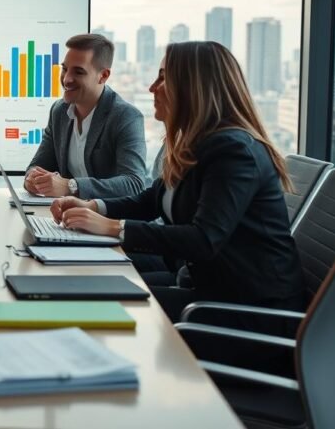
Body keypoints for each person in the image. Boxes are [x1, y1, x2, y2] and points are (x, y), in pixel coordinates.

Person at [50, 41, 304, 322]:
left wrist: (112, 227)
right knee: (91, 282)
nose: (152, 88)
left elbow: (203, 239)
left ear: (192, 87)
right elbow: (149, 202)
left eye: (163, 77)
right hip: (206, 284)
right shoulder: (196, 143)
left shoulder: (233, 151)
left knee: (99, 303)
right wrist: (93, 207)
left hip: (250, 308)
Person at [23, 33, 146, 199]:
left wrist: (71, 186)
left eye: (78, 72)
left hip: (108, 219)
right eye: (65, 69)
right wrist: (32, 178)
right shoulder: (59, 111)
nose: (66, 79)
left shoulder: (125, 116)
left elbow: (134, 183)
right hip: (68, 217)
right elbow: (38, 165)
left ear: (103, 76)